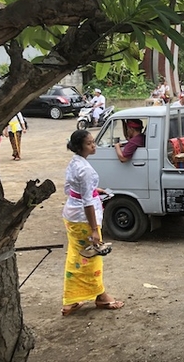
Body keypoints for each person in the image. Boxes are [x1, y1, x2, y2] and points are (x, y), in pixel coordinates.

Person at [61, 130, 124, 316]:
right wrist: (95, 229)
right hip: (83, 219)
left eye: (93, 142)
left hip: (71, 215)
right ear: (80, 147)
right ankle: (101, 296)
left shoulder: (74, 163)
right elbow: (87, 202)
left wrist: (95, 190)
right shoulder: (85, 169)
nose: (93, 145)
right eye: (89, 143)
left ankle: (71, 299)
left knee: (76, 257)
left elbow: (70, 188)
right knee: (92, 258)